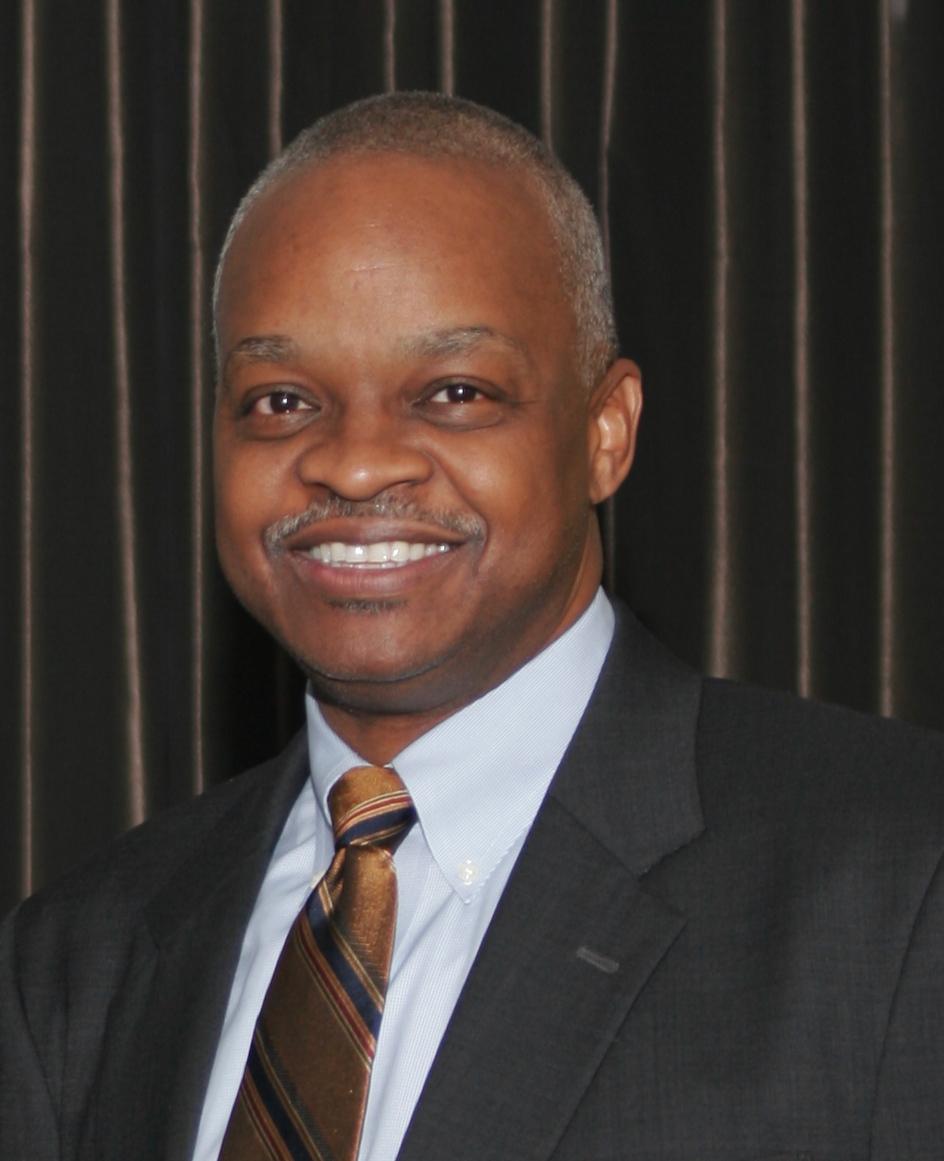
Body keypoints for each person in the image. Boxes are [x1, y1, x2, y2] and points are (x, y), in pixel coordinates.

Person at [2, 91, 943, 1161]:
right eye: (281, 400)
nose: (356, 463)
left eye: (453, 391)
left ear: (605, 431)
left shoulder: (899, 884)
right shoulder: (77, 963)